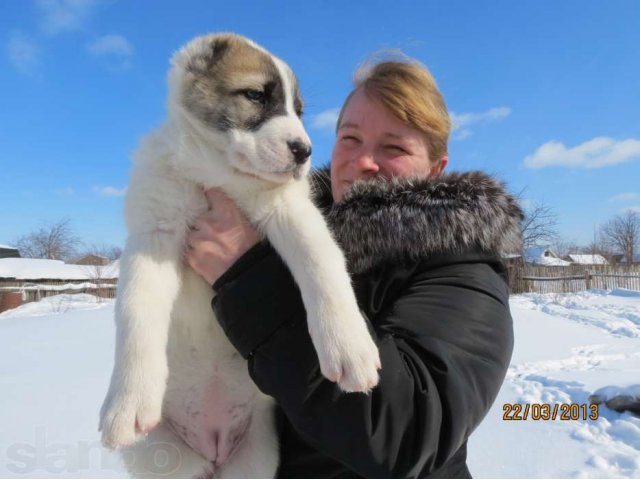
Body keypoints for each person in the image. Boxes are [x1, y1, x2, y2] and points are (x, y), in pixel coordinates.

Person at [186, 58, 523, 478]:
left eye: (394, 147)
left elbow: (406, 435)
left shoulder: (463, 269)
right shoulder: (281, 235)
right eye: (350, 138)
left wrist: (246, 274)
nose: (363, 161)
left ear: (437, 167)